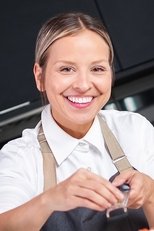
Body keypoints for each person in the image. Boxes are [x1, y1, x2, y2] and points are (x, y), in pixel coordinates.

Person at [0, 11, 154, 231]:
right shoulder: (18, 157)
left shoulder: (134, 129)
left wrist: (150, 193)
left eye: (97, 69)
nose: (83, 84)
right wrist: (50, 200)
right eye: (66, 69)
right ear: (39, 77)